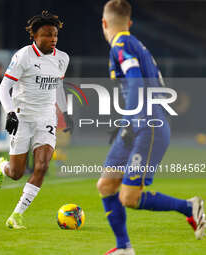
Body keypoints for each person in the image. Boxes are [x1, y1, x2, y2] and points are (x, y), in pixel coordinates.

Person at [97, 1, 205, 254]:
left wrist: (131, 120)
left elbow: (135, 81)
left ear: (104, 23)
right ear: (129, 22)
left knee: (129, 198)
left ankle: (190, 207)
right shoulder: (133, 43)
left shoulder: (121, 44)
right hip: (137, 123)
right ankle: (123, 248)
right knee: (106, 185)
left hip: (147, 127)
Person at [0, 11, 73, 229]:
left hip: (46, 117)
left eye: (55, 34)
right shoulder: (23, 56)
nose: (52, 39)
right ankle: (3, 167)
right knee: (17, 174)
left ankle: (17, 215)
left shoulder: (62, 58)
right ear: (35, 37)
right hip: (23, 116)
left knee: (42, 166)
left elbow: (58, 88)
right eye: (47, 35)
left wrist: (65, 113)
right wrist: (10, 112)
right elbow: (4, 88)